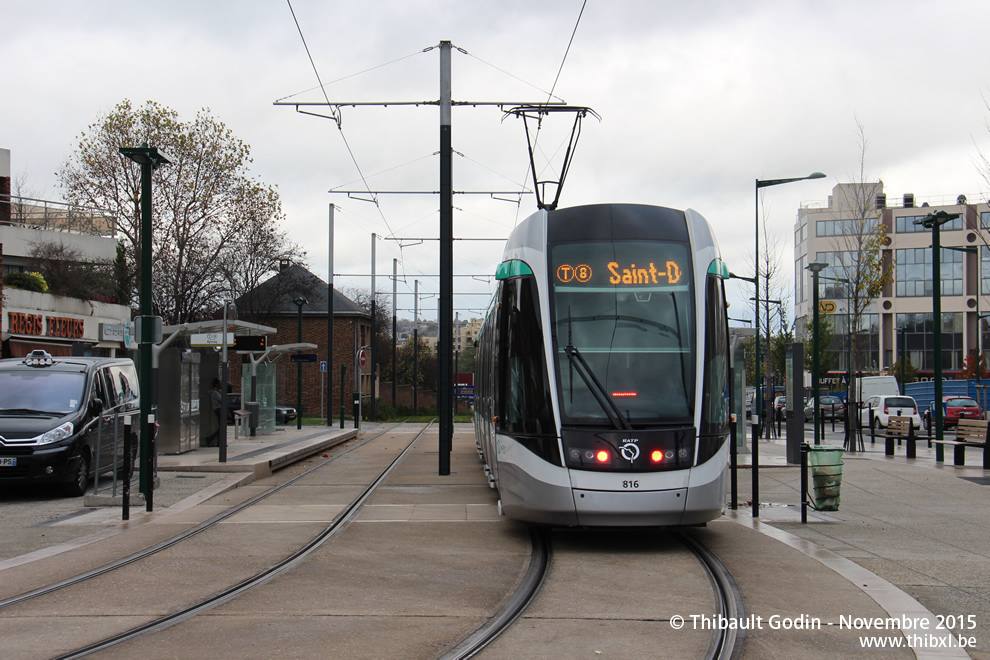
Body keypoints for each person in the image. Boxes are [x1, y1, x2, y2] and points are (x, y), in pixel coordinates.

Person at [206, 378, 223, 447]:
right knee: (222, 427)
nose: (221, 385)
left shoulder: (216, 392)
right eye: (220, 384)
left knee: (221, 427)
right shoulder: (215, 393)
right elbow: (222, 399)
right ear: (216, 384)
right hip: (219, 409)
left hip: (218, 409)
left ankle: (213, 439)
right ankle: (211, 438)